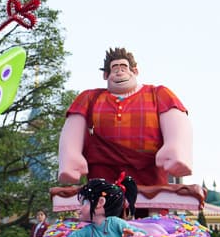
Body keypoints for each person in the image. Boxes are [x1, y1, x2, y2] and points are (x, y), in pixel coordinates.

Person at [58, 47, 192, 187]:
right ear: (106, 75)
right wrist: (70, 156)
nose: (119, 72)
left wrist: (176, 147)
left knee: (147, 205)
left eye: (124, 67)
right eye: (115, 68)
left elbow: (177, 119)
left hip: (149, 174)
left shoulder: (158, 94)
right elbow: (73, 128)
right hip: (102, 172)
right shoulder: (89, 98)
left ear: (135, 71)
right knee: (104, 205)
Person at [65, 177, 144, 237]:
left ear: (100, 202)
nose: (79, 208)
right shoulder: (89, 230)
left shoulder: (115, 223)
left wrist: (137, 234)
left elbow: (141, 233)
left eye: (83, 203)